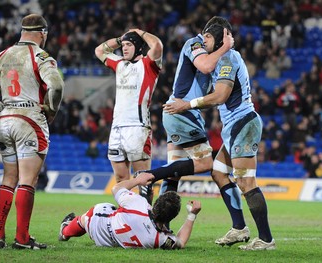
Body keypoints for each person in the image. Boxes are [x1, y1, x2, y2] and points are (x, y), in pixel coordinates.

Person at [163, 20, 275, 251]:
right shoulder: (218, 59)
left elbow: (221, 95)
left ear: (220, 39)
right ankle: (239, 228)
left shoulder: (228, 58)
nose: (204, 42)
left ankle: (265, 239)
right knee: (218, 172)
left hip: (243, 124)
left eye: (208, 39)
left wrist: (187, 105)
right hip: (234, 127)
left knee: (245, 182)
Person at [0, 14, 64, 249]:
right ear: (42, 33)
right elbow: (56, 85)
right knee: (28, 180)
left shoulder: (2, 55)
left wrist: (1, 107)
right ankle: (22, 238)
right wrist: (52, 109)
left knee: (9, 178)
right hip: (29, 120)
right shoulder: (40, 56)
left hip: (6, 121)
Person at [137, 16, 234, 205]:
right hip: (183, 114)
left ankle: (160, 223)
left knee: (173, 173)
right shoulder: (195, 44)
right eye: (223, 38)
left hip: (180, 113)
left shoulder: (214, 55)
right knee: (205, 163)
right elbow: (205, 67)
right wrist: (226, 47)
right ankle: (148, 176)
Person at [94, 28, 163, 189]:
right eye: (122, 45)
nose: (123, 48)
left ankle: (145, 214)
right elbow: (99, 50)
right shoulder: (119, 64)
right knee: (120, 179)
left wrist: (139, 32)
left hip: (137, 127)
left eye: (129, 45)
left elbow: (157, 45)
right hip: (117, 128)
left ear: (138, 47)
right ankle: (125, 213)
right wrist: (121, 38)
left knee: (143, 180)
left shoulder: (148, 64)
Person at [58, 172, 201, 249]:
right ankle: (67, 228)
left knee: (90, 216)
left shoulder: (139, 203)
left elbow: (116, 188)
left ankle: (65, 232)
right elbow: (181, 241)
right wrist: (191, 215)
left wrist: (138, 180)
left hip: (98, 225)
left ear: (157, 202)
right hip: (107, 242)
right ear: (172, 217)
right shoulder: (160, 239)